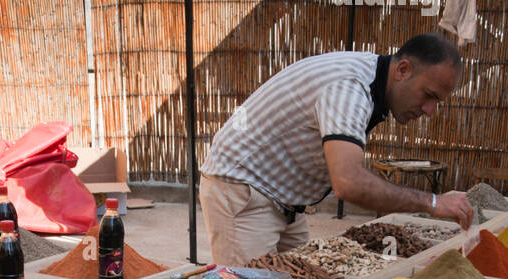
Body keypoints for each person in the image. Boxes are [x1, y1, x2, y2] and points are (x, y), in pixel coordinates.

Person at [200, 32, 475, 266]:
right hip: (244, 189)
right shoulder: (349, 88)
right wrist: (433, 203)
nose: (430, 110)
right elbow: (348, 183)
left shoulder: (372, 76)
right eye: (429, 95)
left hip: (284, 199)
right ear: (403, 70)